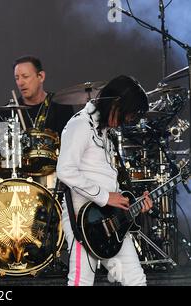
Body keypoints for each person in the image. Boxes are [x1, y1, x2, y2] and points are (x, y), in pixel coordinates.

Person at [56, 75, 153, 286]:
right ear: (116, 103)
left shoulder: (105, 133)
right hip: (84, 218)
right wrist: (104, 196)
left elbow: (106, 179)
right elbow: (65, 170)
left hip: (111, 219)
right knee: (81, 281)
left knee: (136, 280)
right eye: (127, 114)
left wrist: (134, 204)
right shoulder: (80, 124)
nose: (127, 120)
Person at [0, 55, 74, 135]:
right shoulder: (6, 113)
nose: (20, 83)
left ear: (41, 76)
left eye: (25, 76)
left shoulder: (61, 107)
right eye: (17, 78)